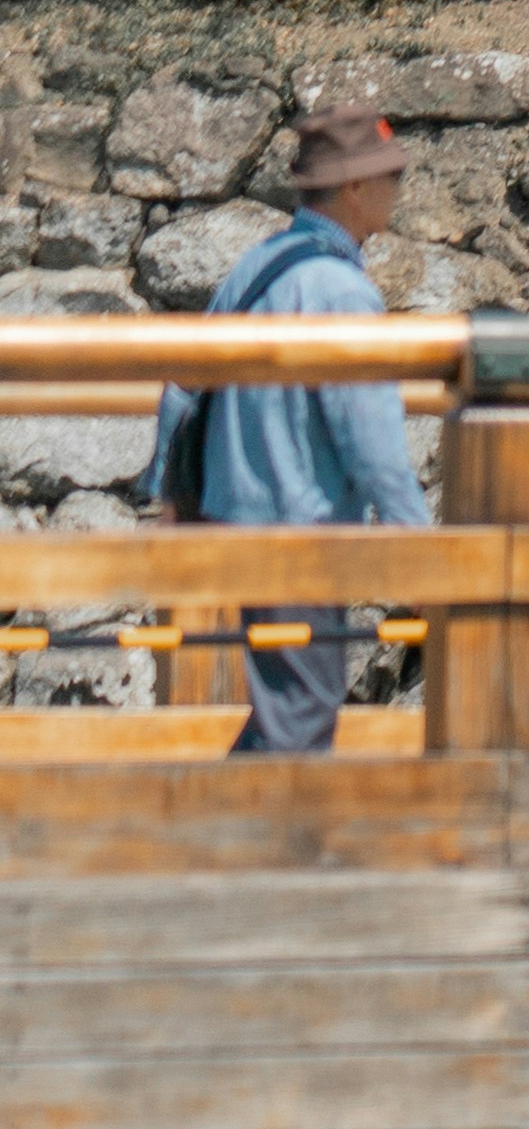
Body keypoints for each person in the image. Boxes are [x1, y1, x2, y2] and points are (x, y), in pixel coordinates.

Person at [152, 110, 426, 755]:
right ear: (355, 189)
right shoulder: (341, 291)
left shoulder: (258, 264)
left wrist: (168, 495)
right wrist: (419, 545)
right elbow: (372, 440)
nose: (399, 191)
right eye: (391, 178)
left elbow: (181, 386)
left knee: (291, 702)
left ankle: (229, 835)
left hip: (236, 515)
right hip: (302, 529)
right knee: (302, 708)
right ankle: (226, 840)